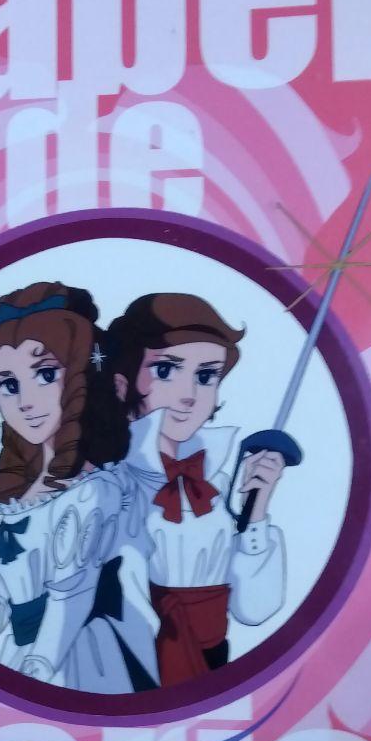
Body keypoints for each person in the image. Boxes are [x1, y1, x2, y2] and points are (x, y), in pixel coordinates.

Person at [0, 282, 158, 691]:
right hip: (22, 661)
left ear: (82, 376)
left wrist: (36, 673)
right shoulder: (12, 501)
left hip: (79, 661)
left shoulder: (93, 491)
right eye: (9, 384)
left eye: (46, 374)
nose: (26, 401)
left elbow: (73, 595)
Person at [106, 293, 286, 688]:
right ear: (122, 384)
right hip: (137, 665)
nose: (189, 394)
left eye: (206, 377)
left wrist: (255, 513)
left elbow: (255, 609)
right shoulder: (111, 484)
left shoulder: (221, 477)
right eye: (166, 370)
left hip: (215, 660)